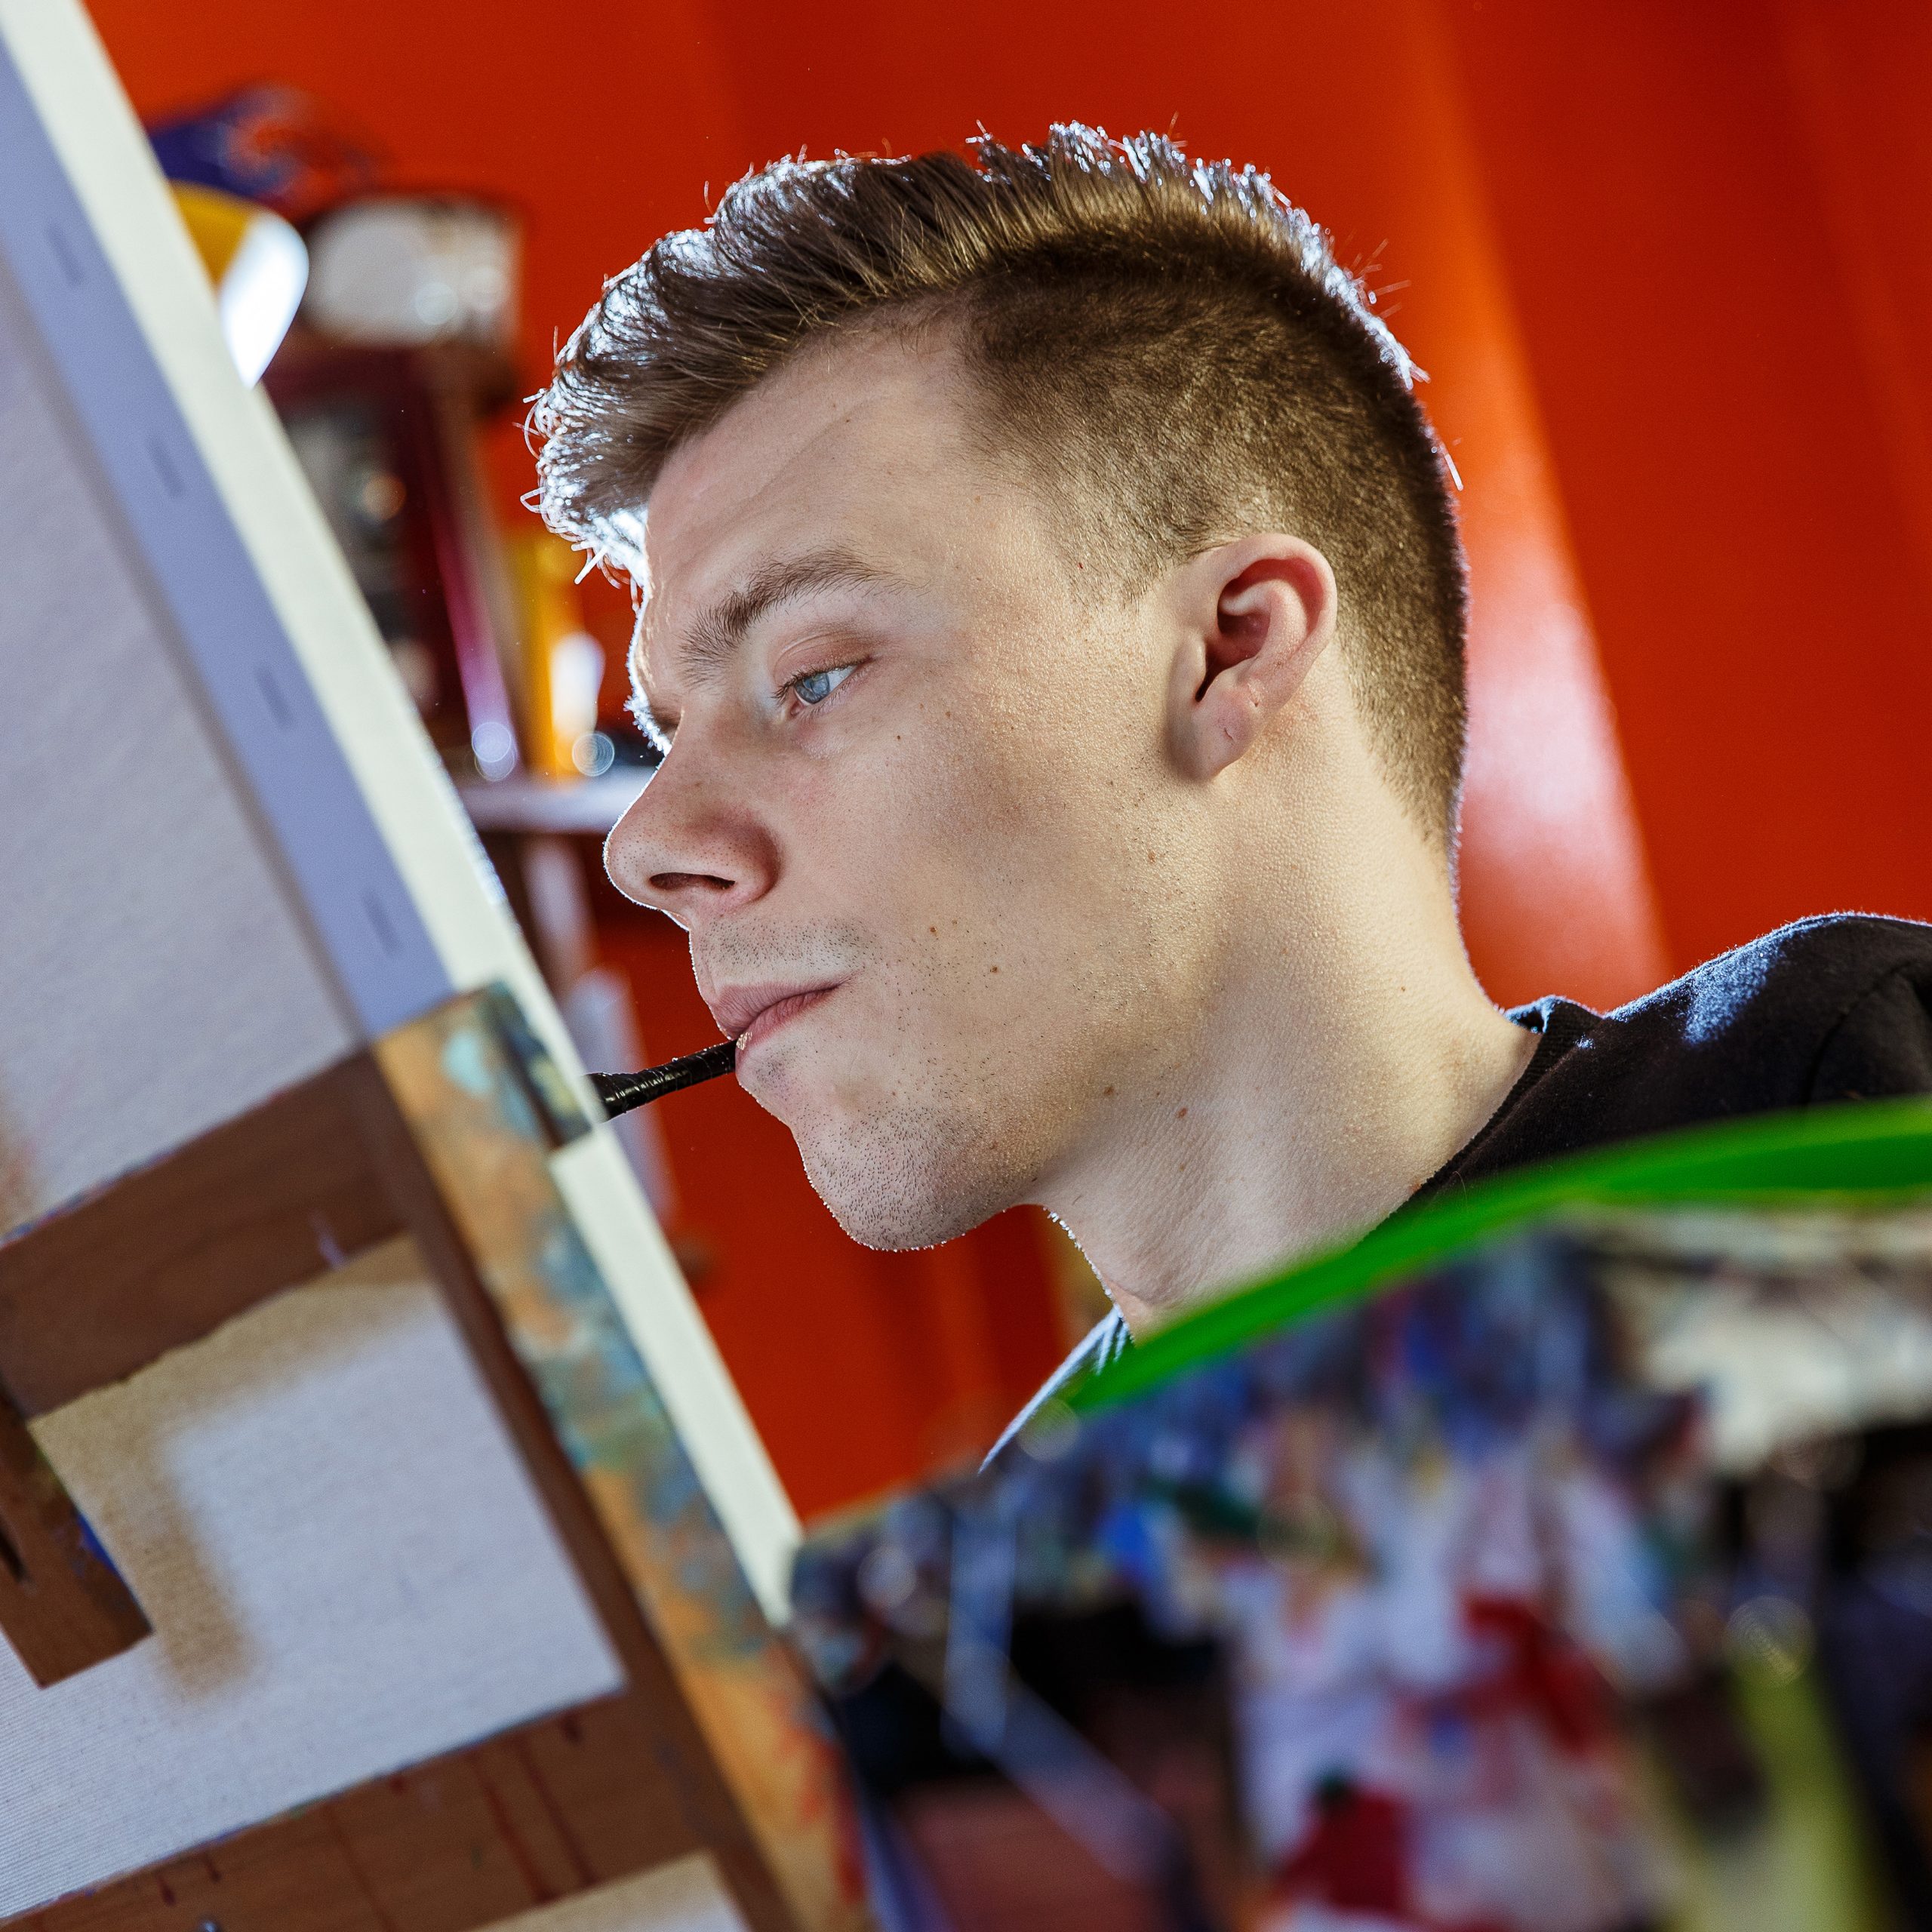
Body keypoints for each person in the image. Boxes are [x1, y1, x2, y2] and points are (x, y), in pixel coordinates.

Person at [531, 125, 1932, 1449]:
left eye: (816, 674)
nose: (647, 846)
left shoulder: (1823, 1107)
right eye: (663, 739)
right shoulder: (1011, 1597)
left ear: (1229, 650)